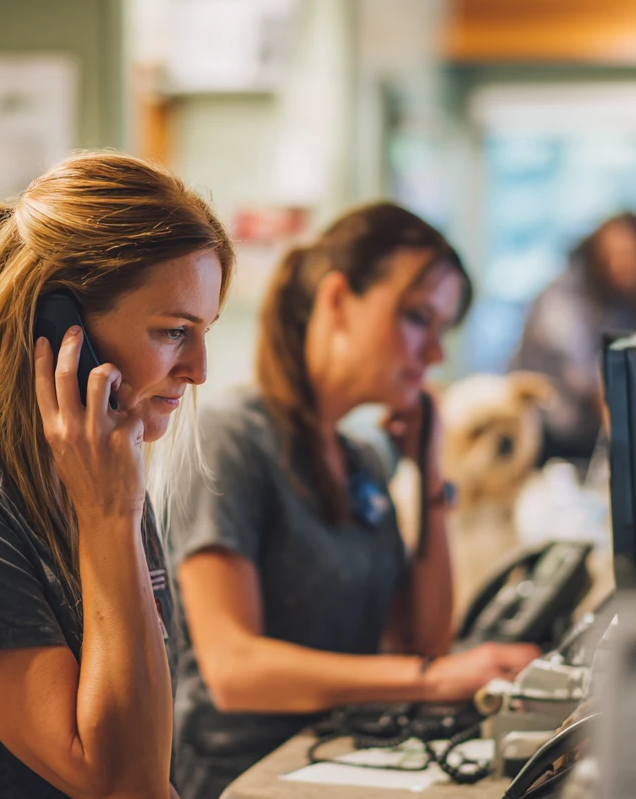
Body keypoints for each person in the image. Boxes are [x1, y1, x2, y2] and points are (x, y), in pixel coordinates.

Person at [166, 203, 542, 799]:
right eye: (418, 318)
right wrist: (433, 679)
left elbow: (422, 642)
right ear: (338, 301)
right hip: (243, 777)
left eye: (443, 330)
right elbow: (234, 671)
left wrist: (430, 475)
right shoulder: (232, 436)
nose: (435, 355)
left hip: (342, 755)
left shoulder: (361, 460)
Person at [0, 152, 235, 798]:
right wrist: (111, 517)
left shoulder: (101, 477)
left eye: (204, 332)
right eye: (172, 332)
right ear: (59, 329)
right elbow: (122, 783)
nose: (198, 370)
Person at [509, 212, 636, 462]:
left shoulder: (621, 301)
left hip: (580, 432)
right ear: (597, 255)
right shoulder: (563, 296)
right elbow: (585, 375)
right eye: (613, 255)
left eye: (630, 255)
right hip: (542, 433)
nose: (622, 264)